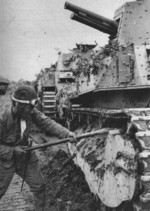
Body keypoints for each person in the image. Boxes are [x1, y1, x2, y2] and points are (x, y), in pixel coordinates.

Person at [0, 85, 76, 211]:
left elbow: (46, 122)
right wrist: (13, 150)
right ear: (19, 105)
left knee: (39, 187)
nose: (32, 111)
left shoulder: (30, 112)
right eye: (29, 108)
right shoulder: (2, 119)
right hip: (4, 160)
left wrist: (67, 133)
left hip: (25, 157)